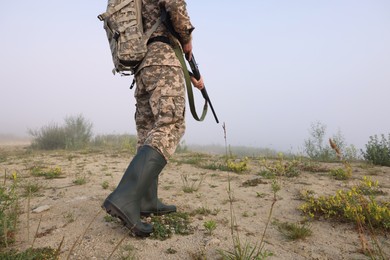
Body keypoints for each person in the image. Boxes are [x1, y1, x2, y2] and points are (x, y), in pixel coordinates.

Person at [102, 0, 204, 237]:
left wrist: (189, 77)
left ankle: (147, 200)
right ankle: (125, 198)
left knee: (148, 131)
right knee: (170, 125)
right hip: (163, 58)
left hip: (143, 64)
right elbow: (175, 4)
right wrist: (187, 39)